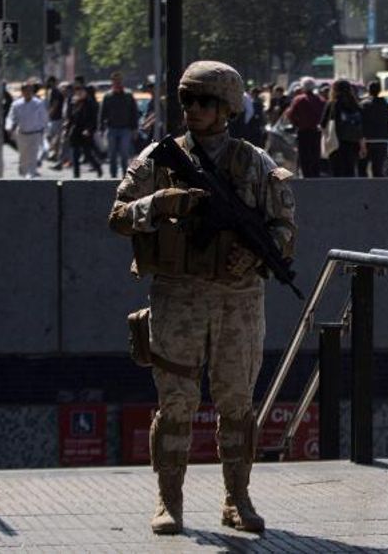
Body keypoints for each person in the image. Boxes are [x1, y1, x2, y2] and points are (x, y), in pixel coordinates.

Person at [108, 61, 296, 536]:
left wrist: (254, 258)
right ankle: (168, 502)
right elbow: (118, 216)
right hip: (179, 297)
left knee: (237, 403)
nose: (193, 110)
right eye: (187, 100)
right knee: (175, 404)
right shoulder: (159, 157)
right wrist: (161, 204)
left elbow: (283, 228)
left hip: (238, 301)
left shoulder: (254, 163)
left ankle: (237, 500)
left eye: (205, 102)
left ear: (228, 108)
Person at [101, 72, 143, 178]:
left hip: (125, 129)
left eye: (119, 80)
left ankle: (125, 176)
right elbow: (102, 113)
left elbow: (134, 112)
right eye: (115, 80)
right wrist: (101, 128)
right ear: (112, 82)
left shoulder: (128, 95)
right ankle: (113, 176)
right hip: (112, 128)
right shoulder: (108, 96)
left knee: (124, 154)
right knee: (112, 155)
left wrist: (134, 129)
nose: (117, 82)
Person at [320, 80, 364, 177]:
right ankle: (350, 190)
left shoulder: (332, 104)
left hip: (336, 142)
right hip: (353, 142)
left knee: (336, 171)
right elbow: (362, 125)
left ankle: (338, 191)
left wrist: (326, 139)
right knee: (350, 170)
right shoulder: (355, 105)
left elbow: (323, 124)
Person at [6, 81, 50, 178]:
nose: (28, 92)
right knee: (23, 155)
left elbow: (44, 118)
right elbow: (11, 117)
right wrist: (9, 127)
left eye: (30, 90)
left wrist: (45, 131)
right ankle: (24, 171)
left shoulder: (38, 103)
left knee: (33, 156)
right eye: (25, 90)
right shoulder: (16, 104)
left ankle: (31, 175)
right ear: (22, 91)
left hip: (35, 134)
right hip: (22, 134)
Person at [283, 81, 325, 178]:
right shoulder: (320, 100)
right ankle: (315, 173)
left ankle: (306, 174)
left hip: (303, 131)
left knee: (304, 153)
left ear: (303, 88)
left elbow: (291, 114)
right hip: (316, 131)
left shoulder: (298, 99)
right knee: (315, 152)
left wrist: (297, 124)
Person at [65, 84, 104, 178]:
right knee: (75, 155)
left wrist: (89, 129)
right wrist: (67, 128)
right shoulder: (73, 103)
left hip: (86, 132)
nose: (79, 94)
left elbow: (93, 119)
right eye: (77, 92)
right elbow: (70, 117)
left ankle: (97, 167)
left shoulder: (90, 103)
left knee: (88, 154)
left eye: (81, 92)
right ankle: (76, 176)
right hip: (75, 131)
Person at [359, 80, 388, 177]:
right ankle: (378, 189)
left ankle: (364, 188)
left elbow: (361, 123)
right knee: (378, 168)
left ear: (368, 90)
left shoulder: (364, 105)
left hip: (367, 140)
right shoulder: (386, 105)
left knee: (362, 167)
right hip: (382, 140)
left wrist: (360, 138)